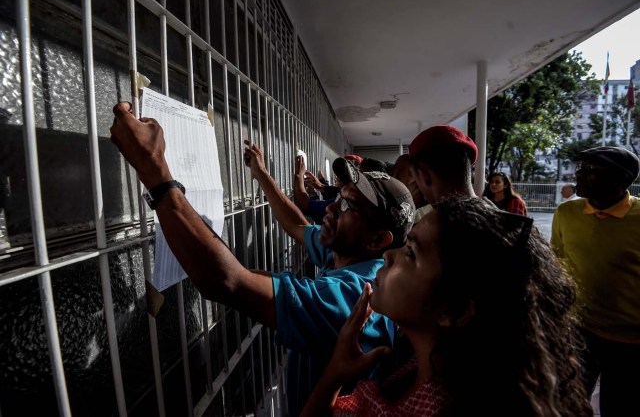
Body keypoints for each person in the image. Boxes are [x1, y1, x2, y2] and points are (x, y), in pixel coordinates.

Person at [109, 101, 414, 416]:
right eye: (339, 197)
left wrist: (154, 168)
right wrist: (260, 173)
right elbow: (295, 223)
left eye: (349, 206)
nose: (333, 208)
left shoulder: (357, 297)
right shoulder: (348, 253)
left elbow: (228, 282)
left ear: (378, 239)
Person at [302, 197, 592, 416]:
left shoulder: (426, 406)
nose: (389, 256)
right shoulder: (430, 368)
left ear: (455, 311)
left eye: (411, 252)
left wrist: (333, 376)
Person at [551, 146, 640, 416]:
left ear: (620, 179)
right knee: (567, 405)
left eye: (590, 170)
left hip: (630, 343)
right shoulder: (566, 213)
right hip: (579, 332)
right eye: (580, 166)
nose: (578, 174)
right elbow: (556, 264)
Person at [407, 125, 479, 213]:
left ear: (424, 177)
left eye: (415, 179)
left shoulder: (431, 224)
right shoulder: (498, 217)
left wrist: (410, 207)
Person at [391, 154, 429, 222]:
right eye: (394, 170)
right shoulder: (391, 198)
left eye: (400, 170)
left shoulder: (430, 207)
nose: (394, 175)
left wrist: (409, 203)